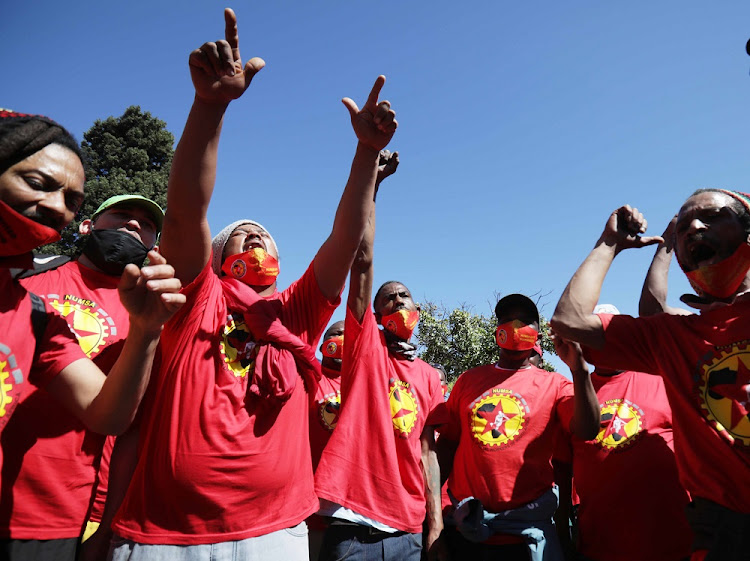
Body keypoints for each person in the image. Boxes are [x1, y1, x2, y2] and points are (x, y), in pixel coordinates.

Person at [107, 8, 399, 559]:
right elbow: (187, 206)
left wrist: (365, 154)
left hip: (277, 533)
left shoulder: (299, 312)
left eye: (266, 236)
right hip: (170, 536)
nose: (258, 239)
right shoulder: (195, 299)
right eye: (245, 235)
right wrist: (210, 106)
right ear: (218, 258)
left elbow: (345, 236)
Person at [0, 110, 184, 560]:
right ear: (86, 227)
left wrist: (144, 330)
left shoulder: (39, 317)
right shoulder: (28, 281)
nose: (133, 225)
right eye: (121, 214)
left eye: (146, 224)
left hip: (61, 516)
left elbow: (116, 420)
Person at [551, 193, 750, 560]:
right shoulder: (676, 336)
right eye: (684, 225)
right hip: (722, 532)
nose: (693, 227)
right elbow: (571, 320)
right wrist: (610, 243)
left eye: (711, 215)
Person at [313, 169, 448, 560]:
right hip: (353, 521)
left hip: (408, 525)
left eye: (404, 296)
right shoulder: (364, 350)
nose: (397, 301)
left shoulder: (428, 376)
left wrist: (434, 521)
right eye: (387, 298)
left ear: (416, 309)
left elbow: (427, 452)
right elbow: (361, 260)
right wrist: (373, 188)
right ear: (372, 315)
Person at [436, 294, 599, 561]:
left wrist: (578, 369)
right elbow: (446, 446)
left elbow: (588, 430)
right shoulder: (468, 380)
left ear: (537, 333)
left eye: (524, 321)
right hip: (466, 532)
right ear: (497, 329)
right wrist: (432, 516)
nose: (514, 326)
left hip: (525, 537)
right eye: (506, 320)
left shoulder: (556, 384)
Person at [560, 304, 692, 561]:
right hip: (599, 547)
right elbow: (563, 469)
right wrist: (564, 536)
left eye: (609, 333)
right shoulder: (570, 398)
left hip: (674, 544)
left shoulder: (663, 378)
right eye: (592, 335)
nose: (601, 343)